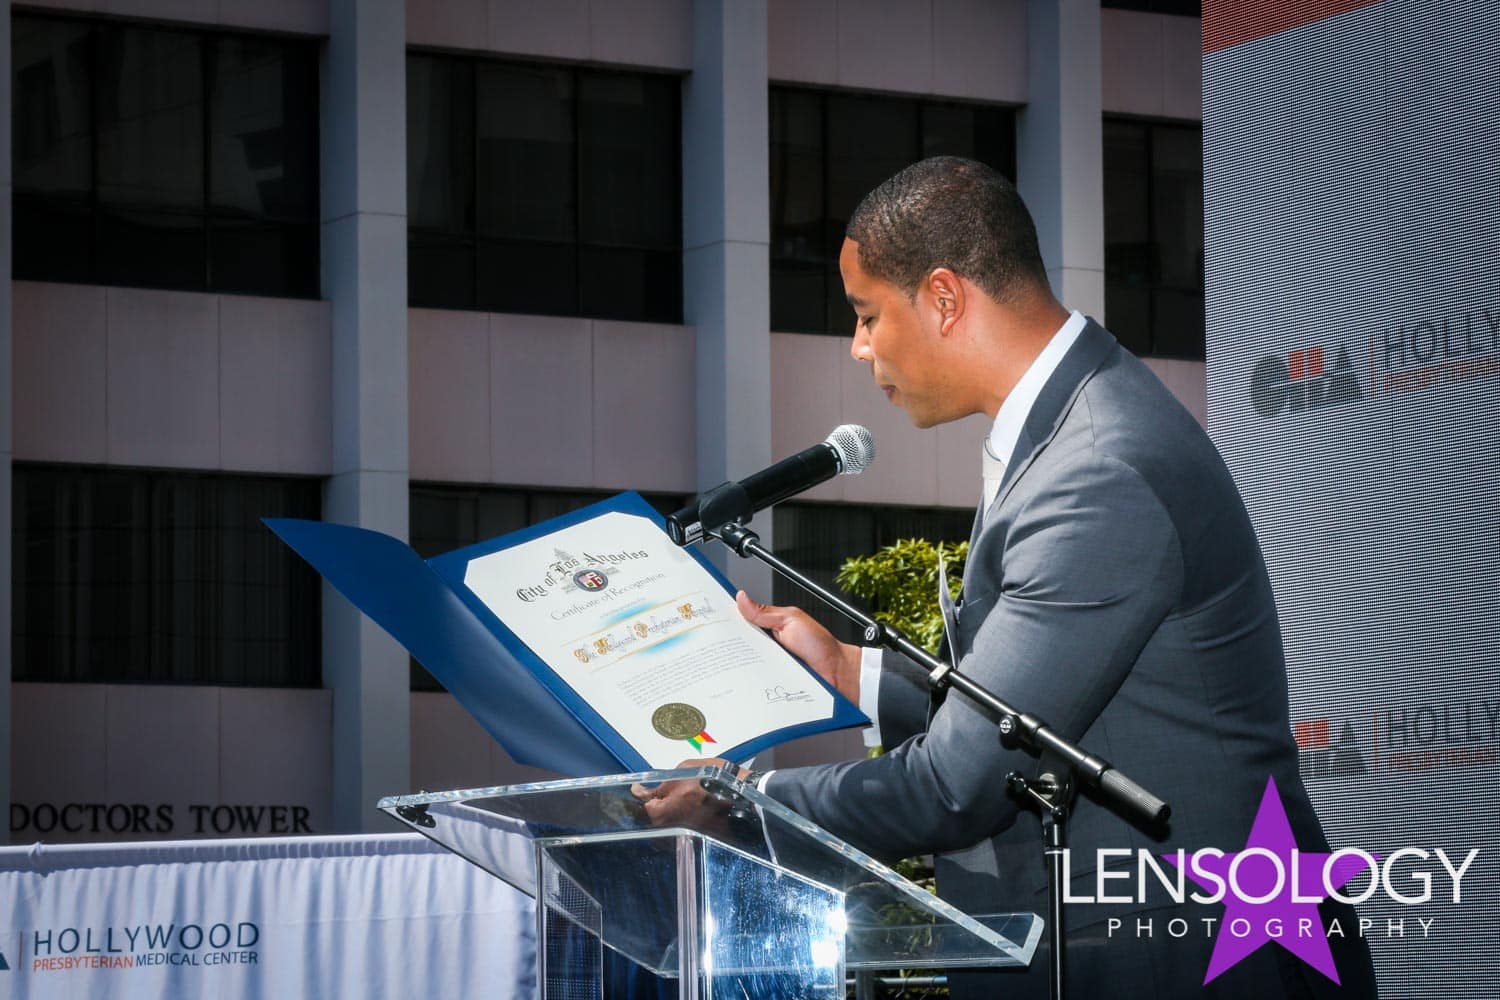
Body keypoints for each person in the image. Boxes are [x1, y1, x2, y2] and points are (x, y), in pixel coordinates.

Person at [637, 157, 1377, 998]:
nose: (859, 347)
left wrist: (741, 803)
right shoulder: (1074, 425)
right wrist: (853, 670)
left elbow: (960, 784)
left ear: (945, 298)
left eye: (869, 314)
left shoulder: (1095, 468)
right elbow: (1040, 712)